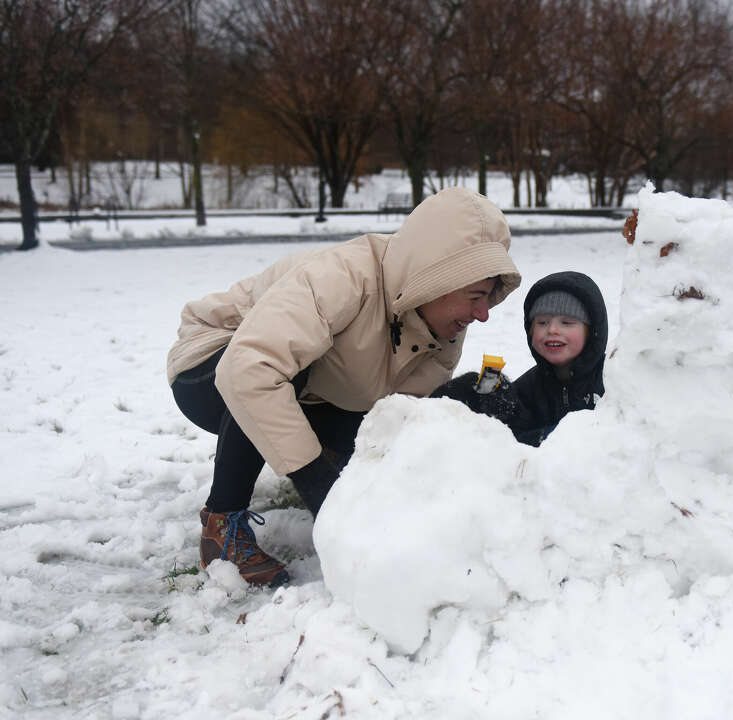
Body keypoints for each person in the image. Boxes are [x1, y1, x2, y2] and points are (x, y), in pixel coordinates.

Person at [167, 187, 521, 587]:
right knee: (275, 370)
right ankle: (222, 523)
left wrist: (455, 409)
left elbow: (397, 416)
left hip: (314, 387)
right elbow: (248, 370)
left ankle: (331, 462)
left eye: (488, 297)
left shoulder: (444, 330)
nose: (483, 314)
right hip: (211, 362)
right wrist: (317, 483)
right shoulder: (345, 277)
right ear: (438, 280)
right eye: (476, 296)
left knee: (349, 413)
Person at [431, 270, 607, 447]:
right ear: (530, 331)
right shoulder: (528, 388)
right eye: (542, 322)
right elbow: (513, 442)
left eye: (567, 323)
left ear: (591, 332)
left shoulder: (613, 379)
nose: (552, 330)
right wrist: (489, 401)